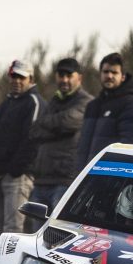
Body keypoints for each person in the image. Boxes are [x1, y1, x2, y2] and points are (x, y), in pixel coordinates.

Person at [0, 60, 46, 243]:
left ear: (30, 79)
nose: (17, 81)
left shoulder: (34, 102)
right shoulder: (6, 103)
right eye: (14, 76)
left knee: (13, 230)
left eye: (21, 77)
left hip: (17, 177)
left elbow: (31, 139)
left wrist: (15, 169)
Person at [29, 57, 92, 213]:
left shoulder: (87, 102)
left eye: (69, 75)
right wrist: (56, 127)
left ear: (79, 78)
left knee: (58, 228)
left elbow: (67, 122)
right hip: (41, 181)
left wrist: (46, 123)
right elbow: (35, 130)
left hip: (64, 181)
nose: (64, 80)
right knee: (37, 228)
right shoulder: (54, 101)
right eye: (61, 75)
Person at [76, 52, 133, 171]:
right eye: (106, 72)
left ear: (123, 77)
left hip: (110, 176)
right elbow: (82, 149)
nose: (109, 76)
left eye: (114, 72)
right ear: (100, 74)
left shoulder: (132, 105)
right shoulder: (92, 106)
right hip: (86, 176)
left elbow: (131, 149)